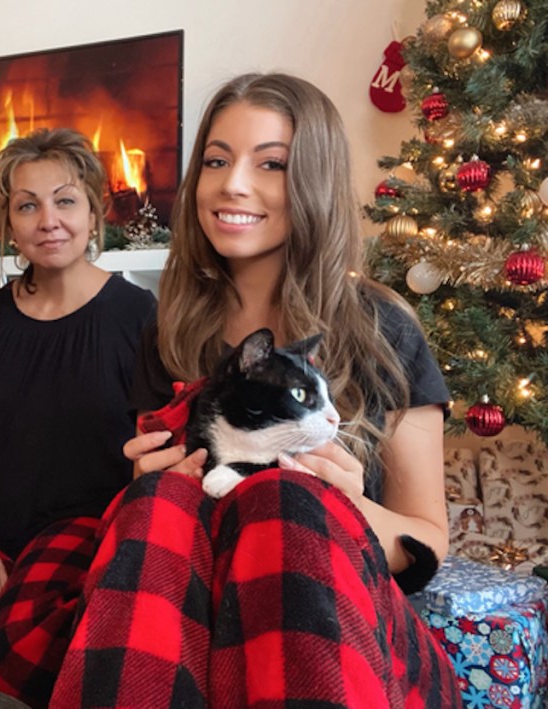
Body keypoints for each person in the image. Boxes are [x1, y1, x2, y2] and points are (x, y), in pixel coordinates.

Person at [49, 73, 461, 706]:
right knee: (158, 503)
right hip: (190, 617)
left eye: (271, 163)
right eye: (216, 160)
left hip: (342, 619)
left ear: (314, 181)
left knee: (284, 503)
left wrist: (350, 509)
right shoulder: (172, 331)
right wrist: (148, 482)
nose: (232, 183)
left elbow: (428, 537)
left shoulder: (383, 328)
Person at [0, 127, 156, 706]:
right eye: (27, 205)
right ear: (9, 224)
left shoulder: (138, 315)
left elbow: (154, 445)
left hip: (83, 538)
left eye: (64, 200)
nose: (47, 219)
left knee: (13, 657)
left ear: (93, 211)